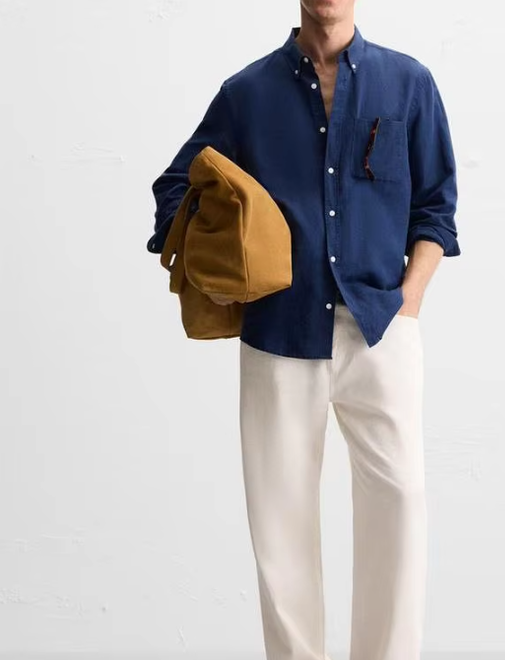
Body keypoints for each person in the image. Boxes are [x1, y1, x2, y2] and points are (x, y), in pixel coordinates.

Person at [148, 1, 461, 658]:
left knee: (400, 506)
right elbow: (176, 187)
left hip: (381, 327)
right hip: (280, 334)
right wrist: (218, 255)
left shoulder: (408, 83)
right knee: (280, 525)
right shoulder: (247, 93)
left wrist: (410, 299)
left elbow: (436, 207)